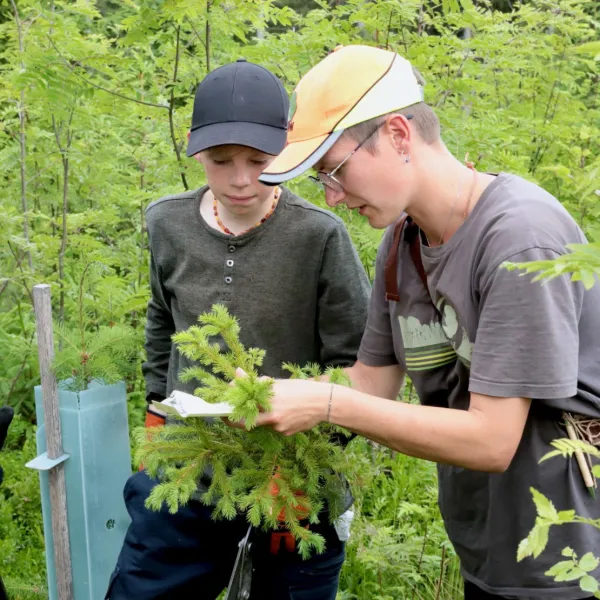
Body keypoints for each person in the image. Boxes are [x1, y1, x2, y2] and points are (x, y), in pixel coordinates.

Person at [252, 44, 600, 599]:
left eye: (335, 170)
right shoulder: (402, 238)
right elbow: (371, 382)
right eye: (322, 180)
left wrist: (324, 404)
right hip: (485, 543)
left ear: (396, 134)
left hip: (566, 559)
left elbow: (492, 440)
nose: (334, 197)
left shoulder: (519, 237)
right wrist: (264, 396)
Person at [105, 58, 370, 600]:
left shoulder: (319, 237)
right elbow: (163, 322)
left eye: (259, 158)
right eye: (221, 160)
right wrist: (158, 416)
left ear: (288, 147)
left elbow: (356, 362)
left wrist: (314, 463)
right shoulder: (166, 223)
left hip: (292, 477)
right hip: (190, 466)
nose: (241, 178)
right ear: (195, 148)